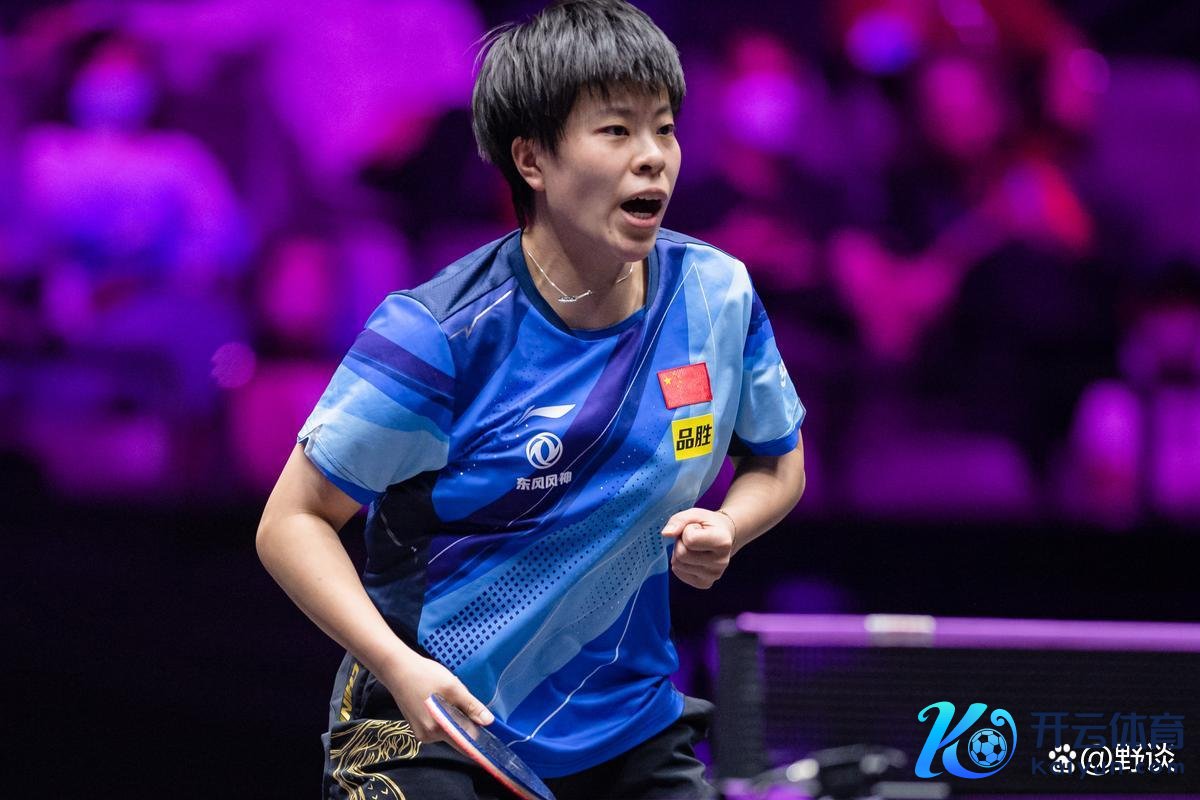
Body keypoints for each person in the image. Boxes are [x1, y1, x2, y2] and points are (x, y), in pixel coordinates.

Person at [256, 2, 806, 798]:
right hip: (434, 721)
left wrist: (731, 523)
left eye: (664, 128)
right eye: (616, 131)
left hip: (626, 728)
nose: (653, 158)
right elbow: (292, 520)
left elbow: (778, 460)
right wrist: (396, 666)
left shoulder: (715, 297)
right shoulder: (440, 334)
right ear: (533, 160)